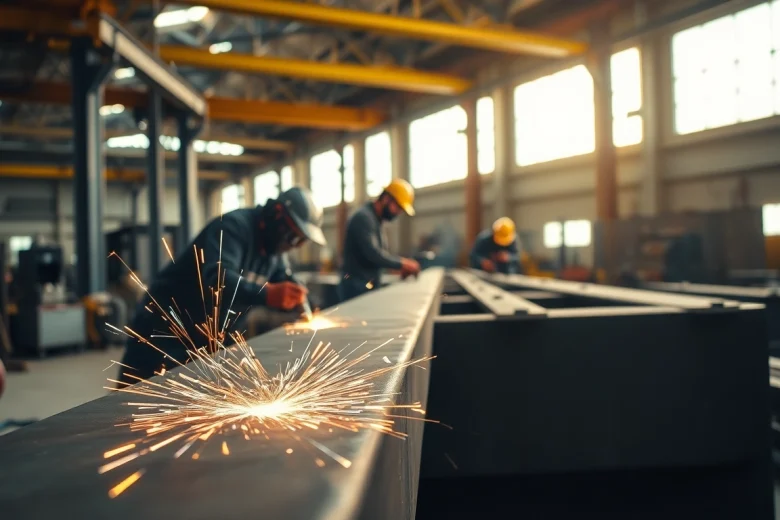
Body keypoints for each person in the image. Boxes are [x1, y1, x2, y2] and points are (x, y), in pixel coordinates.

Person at [118, 187, 326, 385]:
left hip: (207, 337)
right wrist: (266, 295)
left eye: (299, 242)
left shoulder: (274, 253)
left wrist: (298, 296)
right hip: (164, 327)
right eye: (292, 237)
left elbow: (283, 276)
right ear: (276, 214)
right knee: (130, 402)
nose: (292, 245)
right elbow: (217, 280)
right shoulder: (233, 227)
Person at [338, 179, 421, 302]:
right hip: (356, 289)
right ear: (386, 198)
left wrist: (398, 268)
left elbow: (375, 260)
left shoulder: (375, 220)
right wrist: (403, 264)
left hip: (365, 287)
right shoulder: (364, 218)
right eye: (397, 207)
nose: (398, 213)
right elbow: (373, 254)